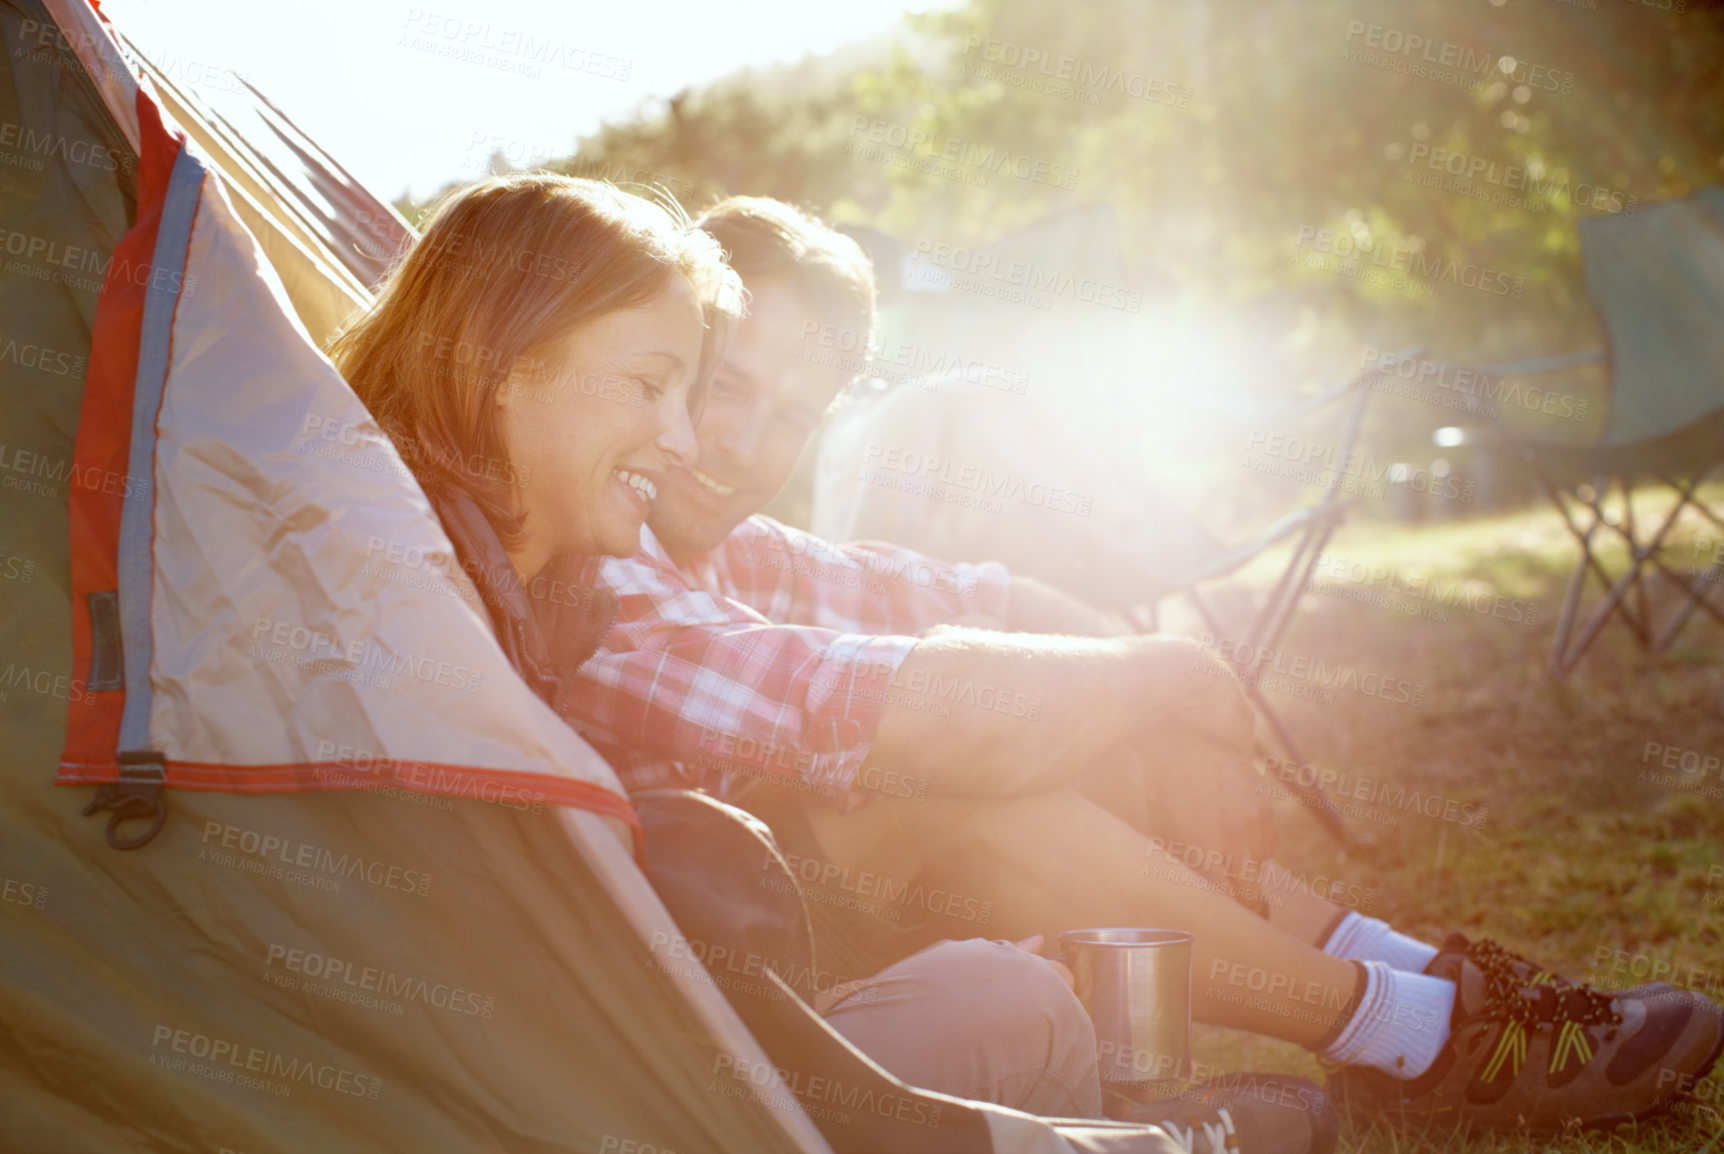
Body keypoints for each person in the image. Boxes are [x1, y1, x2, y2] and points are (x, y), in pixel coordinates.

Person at [559, 194, 1724, 1136]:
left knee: (1043, 697)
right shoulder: (592, 572)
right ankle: (1425, 1038)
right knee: (947, 763)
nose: (743, 444)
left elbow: (984, 596)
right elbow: (894, 710)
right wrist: (1169, 675)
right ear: (662, 362)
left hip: (799, 961)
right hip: (690, 1027)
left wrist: (1154, 700)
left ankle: (1424, 983)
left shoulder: (731, 552)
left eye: (791, 412)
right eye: (725, 388)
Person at [327, 173, 1211, 1151]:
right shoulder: (428, 621)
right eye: (652, 385)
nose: (685, 437)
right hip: (592, 1100)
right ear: (506, 363)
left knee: (1013, 988)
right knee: (1019, 993)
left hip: (657, 1050)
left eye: (693, 391)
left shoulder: (531, 589)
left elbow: (918, 594)